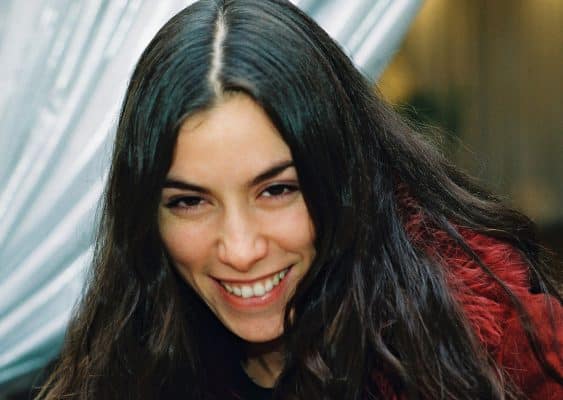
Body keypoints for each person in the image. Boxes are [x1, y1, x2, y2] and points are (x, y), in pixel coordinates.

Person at [36, 0, 562, 399]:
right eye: (190, 202)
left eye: (277, 190)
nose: (240, 250)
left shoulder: (502, 351)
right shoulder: (121, 374)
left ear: (343, 177)